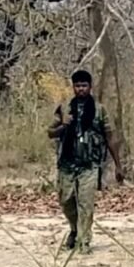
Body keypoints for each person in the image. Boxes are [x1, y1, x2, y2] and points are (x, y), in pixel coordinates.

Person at [47, 70, 124, 254]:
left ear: (90, 87)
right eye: (77, 85)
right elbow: (50, 132)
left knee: (86, 203)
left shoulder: (99, 110)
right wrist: (63, 125)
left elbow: (110, 137)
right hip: (67, 164)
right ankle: (75, 230)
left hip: (89, 165)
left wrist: (118, 166)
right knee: (66, 202)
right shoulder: (64, 108)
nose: (81, 89)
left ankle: (84, 241)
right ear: (73, 87)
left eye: (84, 85)